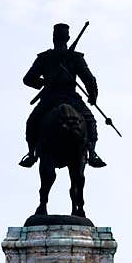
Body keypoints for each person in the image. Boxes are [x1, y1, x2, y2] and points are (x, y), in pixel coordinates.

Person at [19, 23, 106, 168]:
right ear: (68, 38)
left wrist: (41, 83)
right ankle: (92, 154)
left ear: (55, 38)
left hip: (56, 98)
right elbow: (90, 79)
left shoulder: (63, 57)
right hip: (64, 98)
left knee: (32, 122)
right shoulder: (51, 57)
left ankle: (31, 154)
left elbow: (28, 79)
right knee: (90, 121)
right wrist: (92, 95)